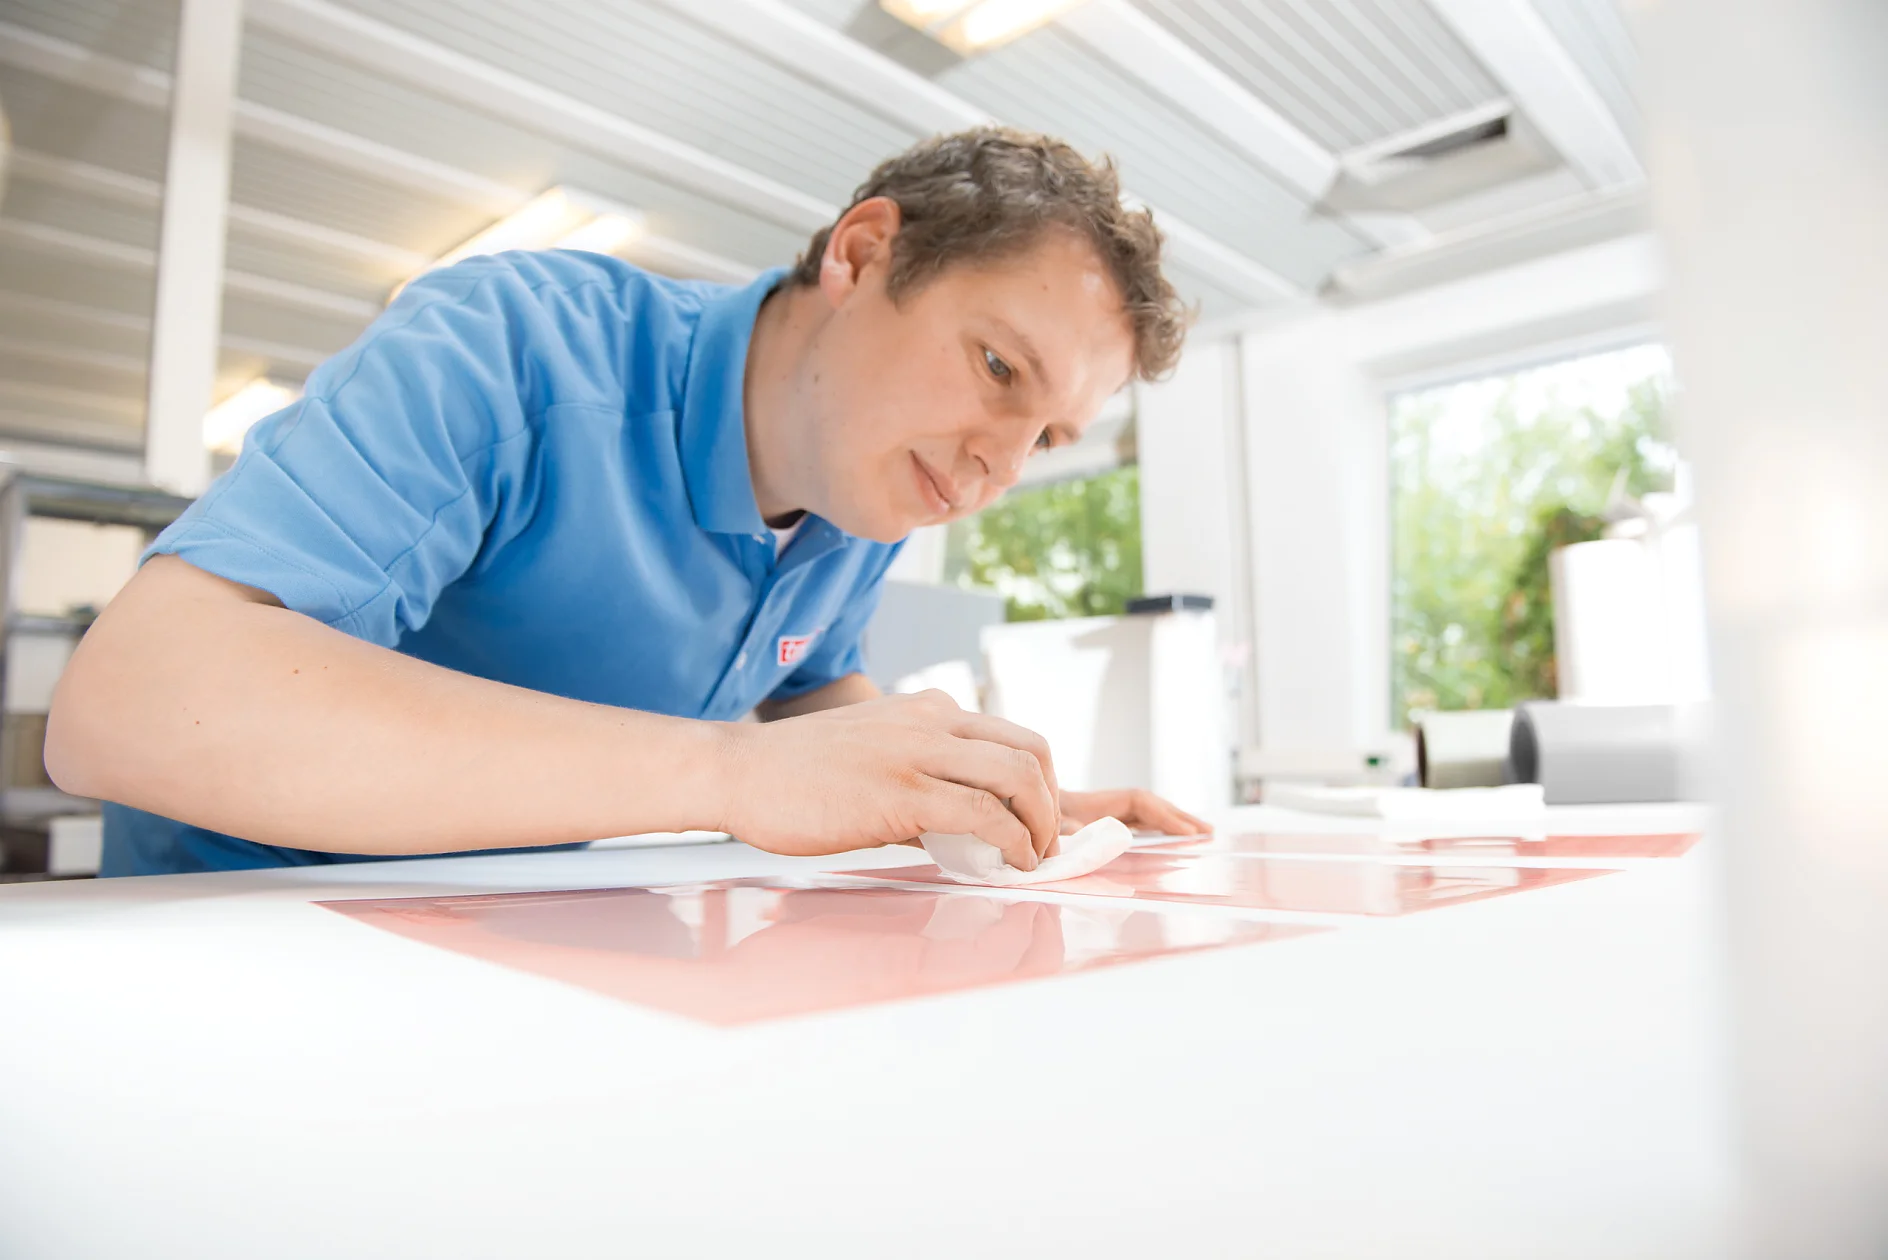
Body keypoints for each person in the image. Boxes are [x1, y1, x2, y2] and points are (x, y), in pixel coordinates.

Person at [45, 126, 1208, 877]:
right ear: (861, 253)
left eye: (1046, 436)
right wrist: (726, 773)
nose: (995, 470)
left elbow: (813, 698)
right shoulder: (511, 347)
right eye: (998, 369)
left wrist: (973, 793)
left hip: (506, 936)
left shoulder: (864, 495)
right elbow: (130, 706)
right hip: (238, 932)